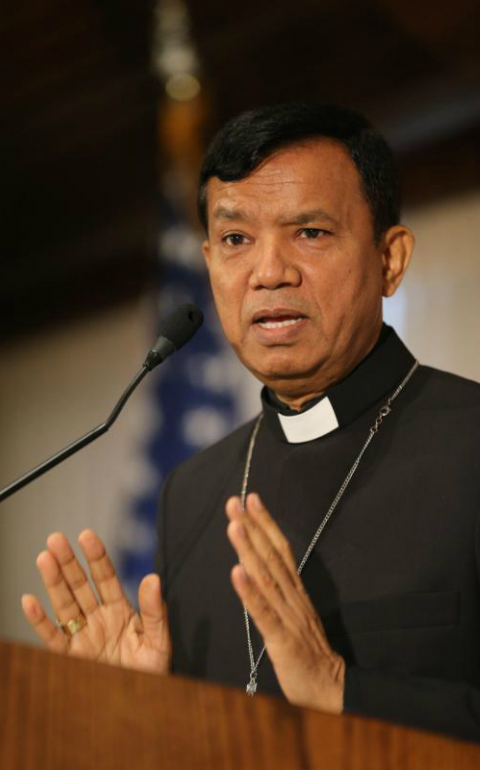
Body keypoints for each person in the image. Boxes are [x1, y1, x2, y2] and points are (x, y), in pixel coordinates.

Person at [22, 102, 480, 741]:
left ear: (390, 259)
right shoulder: (191, 492)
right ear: (210, 263)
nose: (269, 273)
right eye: (237, 240)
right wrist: (139, 706)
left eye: (311, 233)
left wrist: (339, 690)